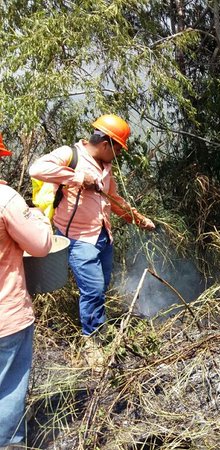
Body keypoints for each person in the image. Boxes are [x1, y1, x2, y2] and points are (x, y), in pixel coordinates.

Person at [29, 115, 155, 350]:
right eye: (118, 149)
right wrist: (78, 177)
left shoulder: (106, 168)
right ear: (106, 144)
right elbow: (36, 169)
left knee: (101, 286)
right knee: (94, 290)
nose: (119, 155)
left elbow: (113, 199)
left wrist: (137, 219)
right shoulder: (71, 155)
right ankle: (93, 344)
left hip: (103, 237)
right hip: (78, 239)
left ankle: (97, 325)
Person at [0, 132, 53, 448]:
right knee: (8, 388)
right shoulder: (5, 200)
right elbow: (42, 245)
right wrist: (38, 214)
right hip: (6, 318)